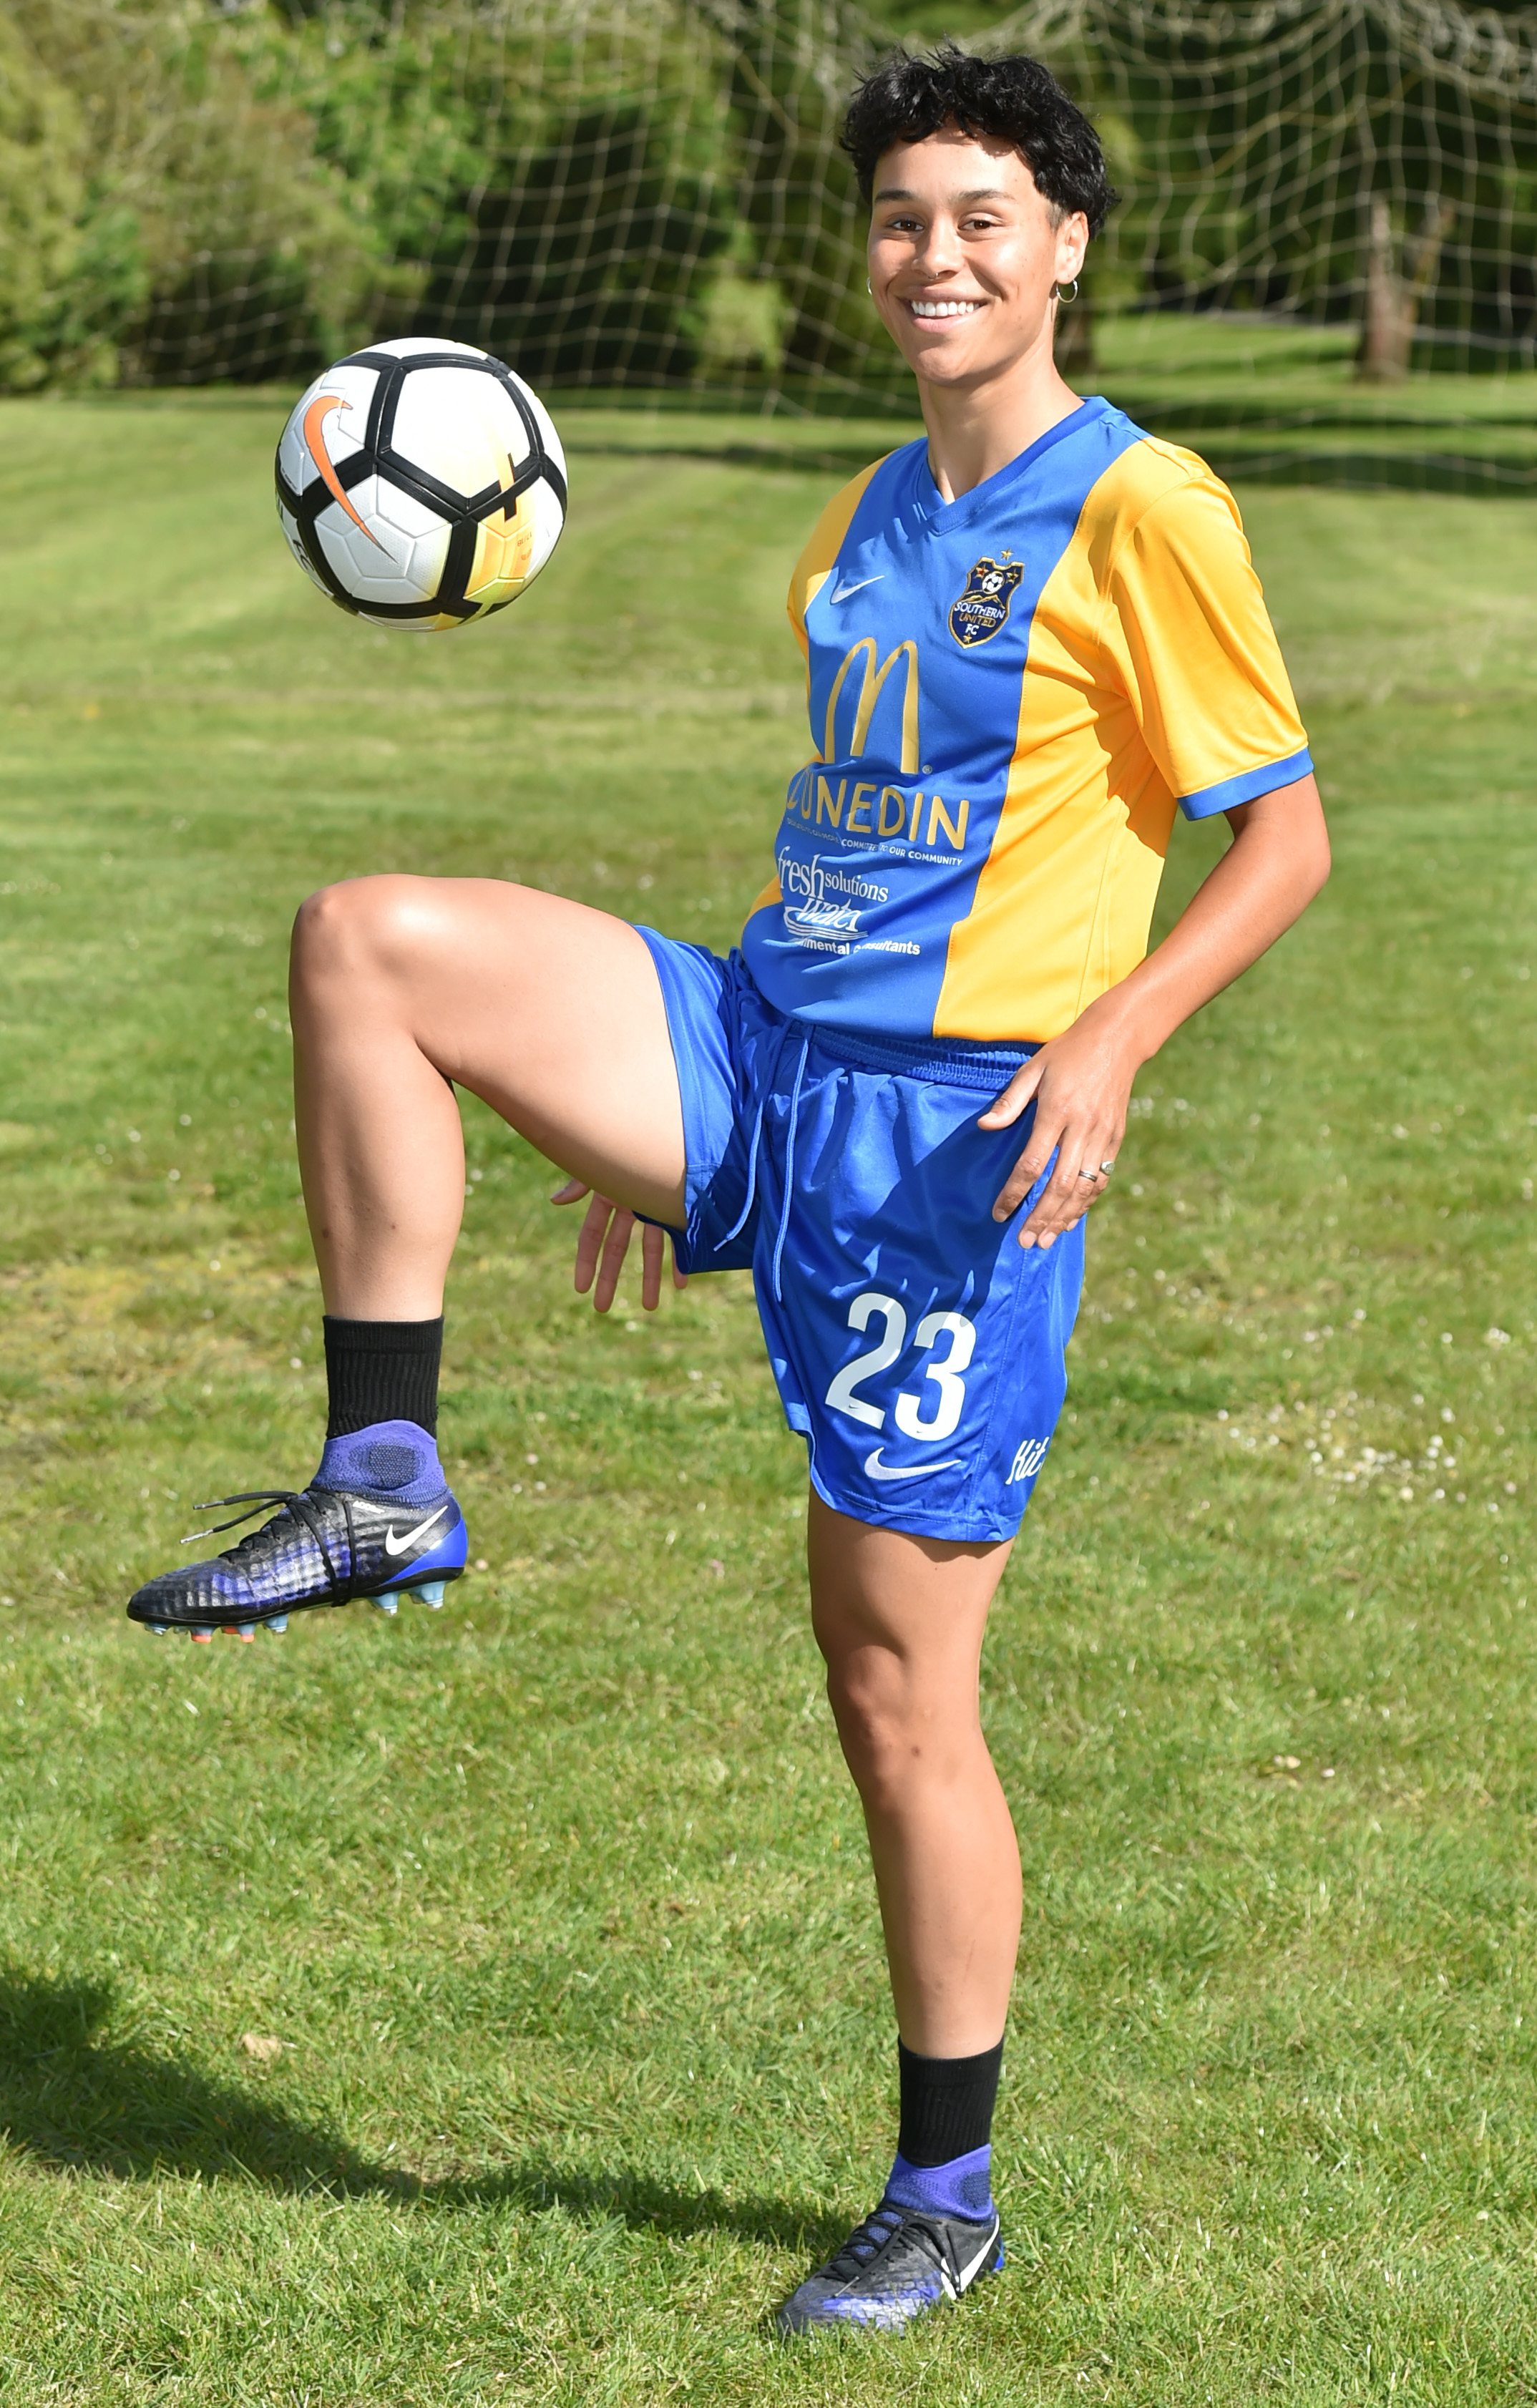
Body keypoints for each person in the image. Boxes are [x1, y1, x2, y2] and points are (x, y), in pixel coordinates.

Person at [127, 45, 1329, 2339]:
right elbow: (845, 836)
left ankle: (943, 2190)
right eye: (899, 216)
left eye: (981, 215)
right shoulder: (866, 507)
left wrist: (1109, 1032)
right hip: (767, 1055)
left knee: (893, 1693)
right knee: (367, 940)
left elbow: (1279, 835)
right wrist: (654, 1140)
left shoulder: (1141, 503)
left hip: (953, 1148)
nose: (934, 254)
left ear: (1063, 243)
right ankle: (383, 1470)